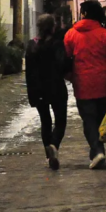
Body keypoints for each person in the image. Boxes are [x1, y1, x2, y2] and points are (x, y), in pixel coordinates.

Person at [64, 0, 106, 169]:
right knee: (100, 120)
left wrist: (71, 77)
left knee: (88, 120)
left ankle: (96, 151)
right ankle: (97, 151)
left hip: (82, 84)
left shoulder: (71, 35)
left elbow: (65, 60)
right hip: (103, 84)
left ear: (84, 14)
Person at [25, 14, 70, 170]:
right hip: (56, 87)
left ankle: (48, 152)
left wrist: (31, 95)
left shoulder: (32, 45)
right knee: (60, 121)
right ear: (53, 27)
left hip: (38, 90)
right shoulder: (57, 44)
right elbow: (63, 65)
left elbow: (28, 74)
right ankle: (54, 145)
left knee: (45, 121)